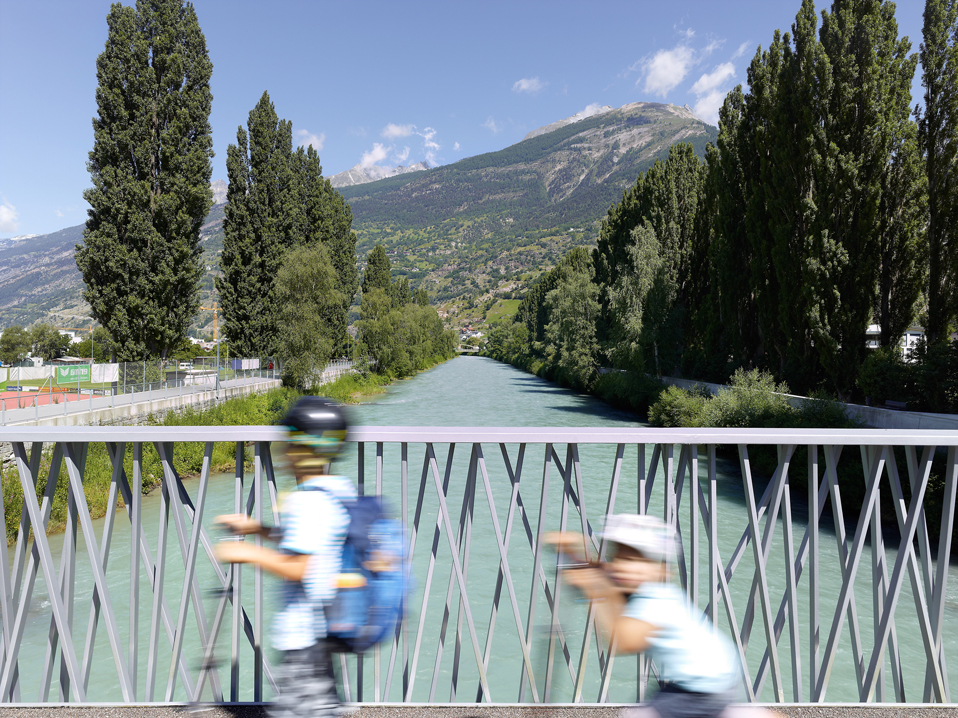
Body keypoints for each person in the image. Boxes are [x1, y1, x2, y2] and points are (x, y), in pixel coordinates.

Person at [215, 396, 355, 718]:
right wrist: (258, 529)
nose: (282, 450)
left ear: (305, 448)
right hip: (320, 631)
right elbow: (307, 543)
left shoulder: (308, 502)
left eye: (289, 442)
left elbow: (299, 567)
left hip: (305, 638)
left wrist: (245, 552)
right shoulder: (334, 489)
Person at [548, 514, 768, 718]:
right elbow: (600, 572)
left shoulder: (655, 602)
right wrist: (572, 553)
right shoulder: (646, 585)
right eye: (617, 558)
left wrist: (596, 590)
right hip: (712, 677)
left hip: (701, 686)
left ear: (662, 571)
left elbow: (622, 642)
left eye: (635, 561)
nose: (623, 567)